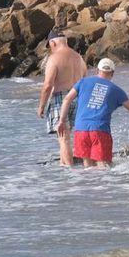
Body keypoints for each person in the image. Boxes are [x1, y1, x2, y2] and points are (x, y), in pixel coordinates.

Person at [58, 58, 129, 168]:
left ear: (97, 70)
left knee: (87, 166)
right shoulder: (116, 90)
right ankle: (107, 185)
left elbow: (67, 99)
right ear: (112, 73)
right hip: (100, 130)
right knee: (102, 165)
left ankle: (88, 186)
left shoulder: (83, 82)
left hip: (81, 129)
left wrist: (61, 121)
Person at [37, 31, 86, 166]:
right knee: (67, 136)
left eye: (50, 45)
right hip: (78, 97)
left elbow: (47, 85)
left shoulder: (54, 58)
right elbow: (84, 80)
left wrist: (41, 106)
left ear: (53, 43)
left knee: (64, 138)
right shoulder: (79, 58)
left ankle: (69, 173)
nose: (50, 48)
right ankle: (63, 168)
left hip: (61, 98)